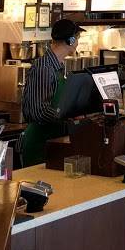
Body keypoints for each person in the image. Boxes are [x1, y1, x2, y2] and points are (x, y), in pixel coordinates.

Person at [19, 17, 85, 166]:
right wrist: (67, 117)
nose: (77, 43)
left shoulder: (57, 67)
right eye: (77, 39)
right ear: (70, 40)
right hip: (39, 144)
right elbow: (39, 111)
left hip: (53, 142)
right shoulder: (44, 68)